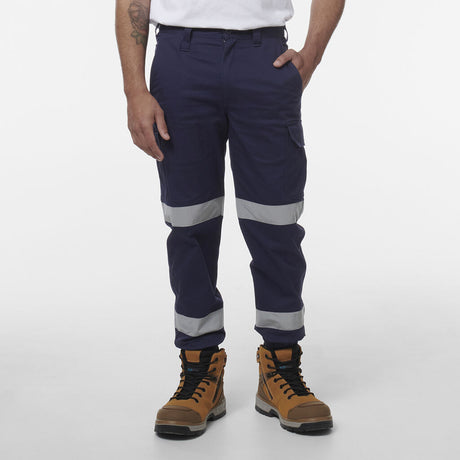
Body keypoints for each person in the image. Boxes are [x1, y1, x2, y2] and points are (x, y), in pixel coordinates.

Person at [115, 0, 345, 436]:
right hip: (181, 59)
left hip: (264, 58)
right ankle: (200, 369)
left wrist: (312, 54)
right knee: (189, 222)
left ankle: (281, 365)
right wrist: (134, 90)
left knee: (275, 220)